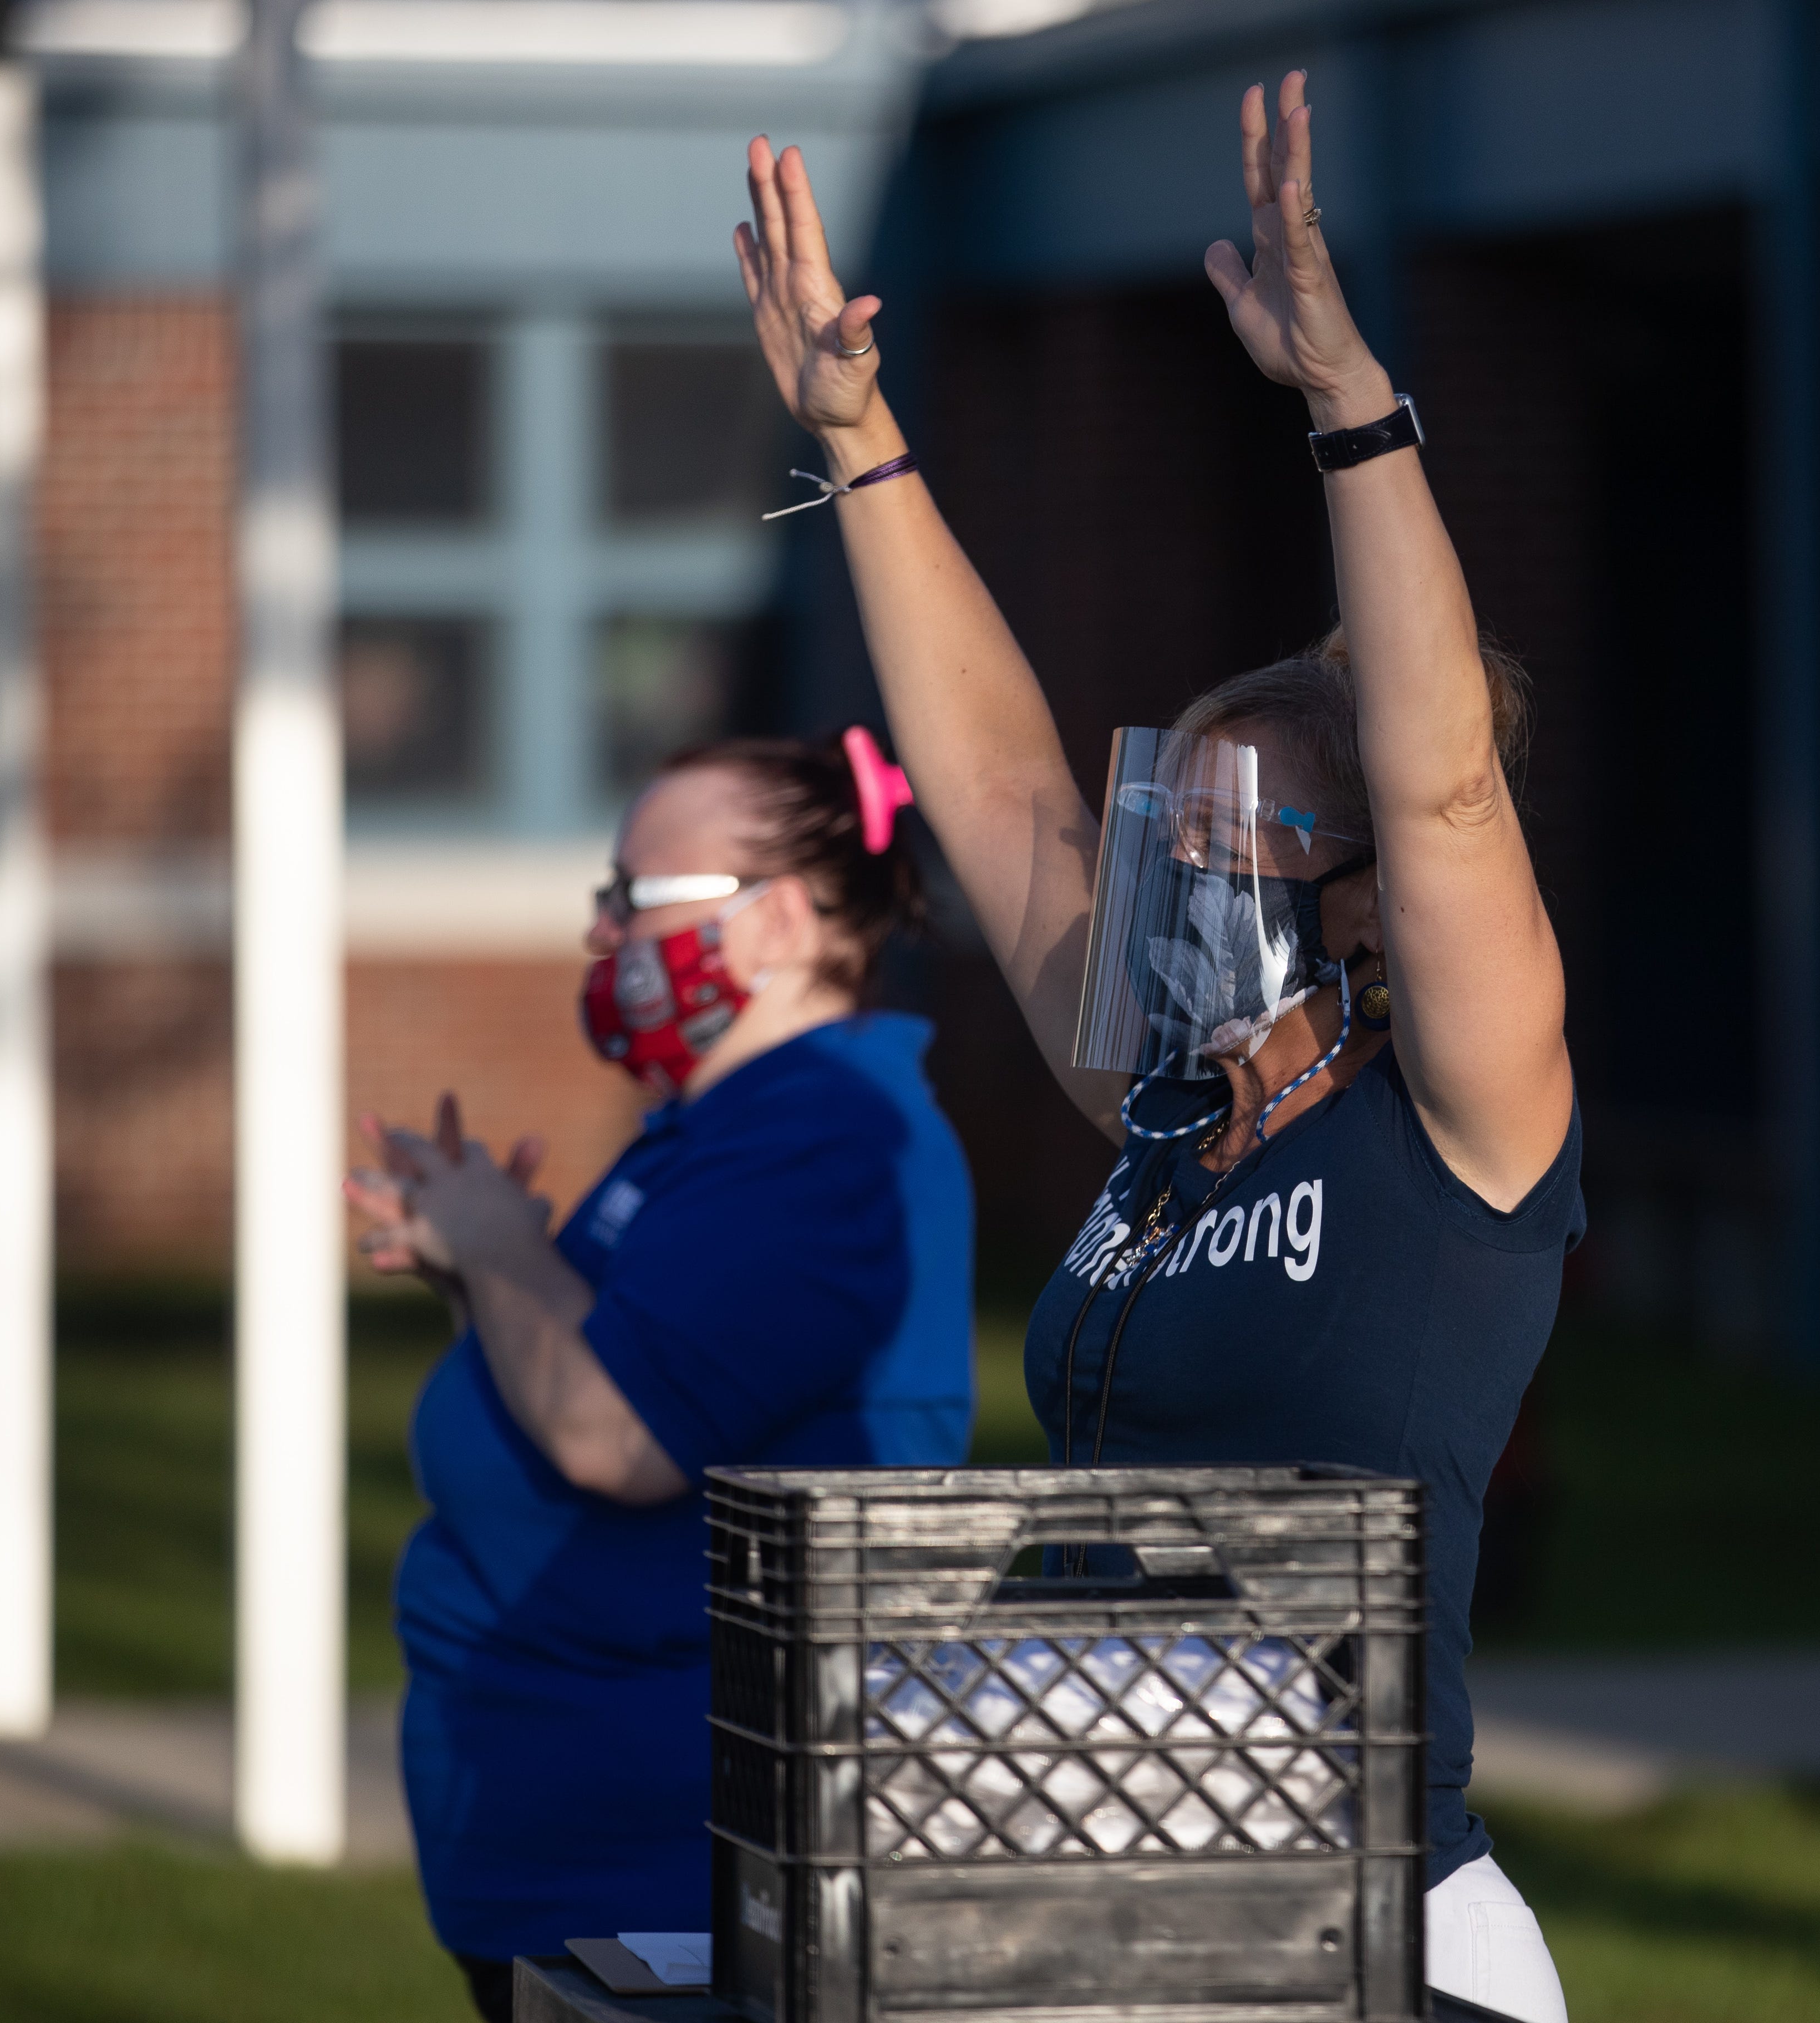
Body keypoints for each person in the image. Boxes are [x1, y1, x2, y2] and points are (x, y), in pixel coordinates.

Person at [735, 73, 1578, 2023]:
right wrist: (863, 449)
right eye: (1166, 838)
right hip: (1129, 1898)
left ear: (1359, 894)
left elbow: (1442, 789)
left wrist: (1349, 410)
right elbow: (1007, 798)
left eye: (1232, 846)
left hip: (1382, 1942)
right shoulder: (1166, 1101)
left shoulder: (1458, 1127)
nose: (1171, 883)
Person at [345, 730, 975, 2023]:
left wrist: (504, 1244)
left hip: (670, 1887)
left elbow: (616, 1436)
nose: (604, 933)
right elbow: (625, 1366)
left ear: (783, 924)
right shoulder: (722, 1125)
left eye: (635, 899)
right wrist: (475, 1266)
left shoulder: (827, 1143)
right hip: (579, 1869)